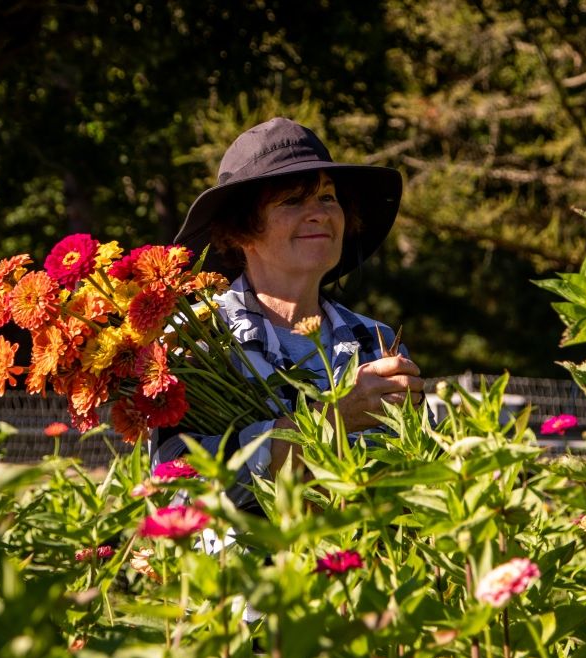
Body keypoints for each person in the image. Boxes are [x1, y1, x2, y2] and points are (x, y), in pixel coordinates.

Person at [151, 118, 425, 507]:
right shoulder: (194, 340)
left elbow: (420, 475)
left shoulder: (376, 341)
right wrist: (330, 421)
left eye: (328, 197)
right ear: (240, 231)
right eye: (293, 200)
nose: (320, 213)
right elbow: (174, 485)